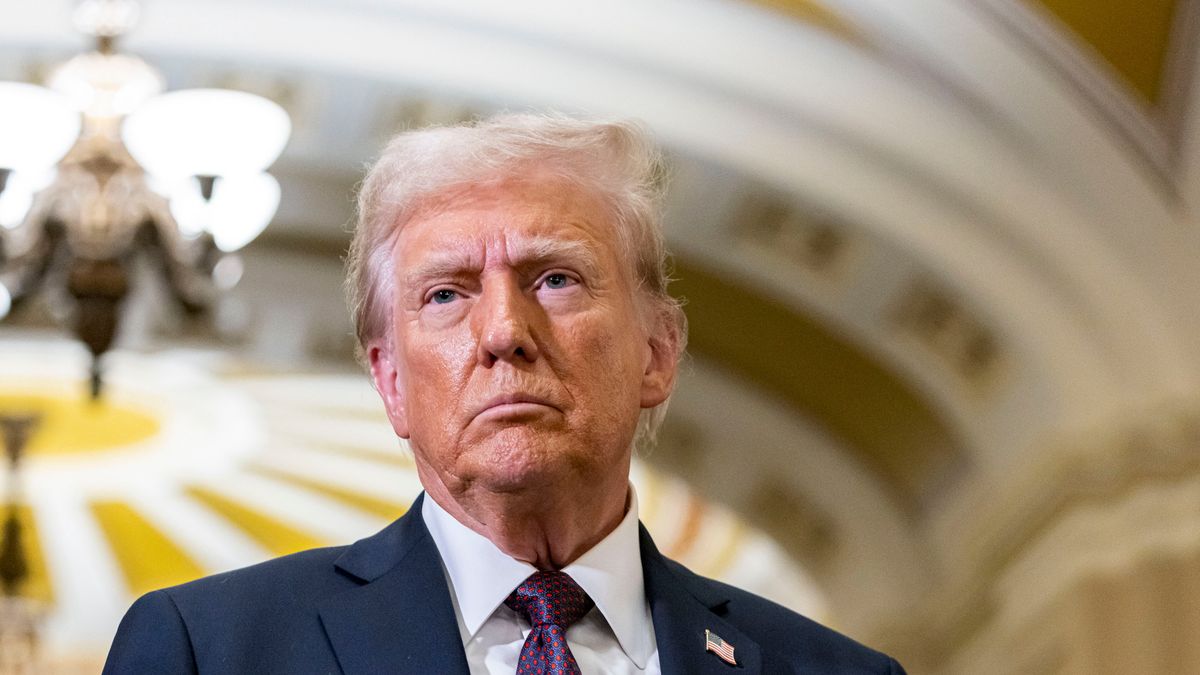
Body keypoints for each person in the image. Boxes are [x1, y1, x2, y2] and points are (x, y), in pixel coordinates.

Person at [103, 113, 906, 674]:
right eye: (446, 293)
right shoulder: (209, 652)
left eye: (555, 278)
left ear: (658, 353)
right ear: (391, 383)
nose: (502, 331)